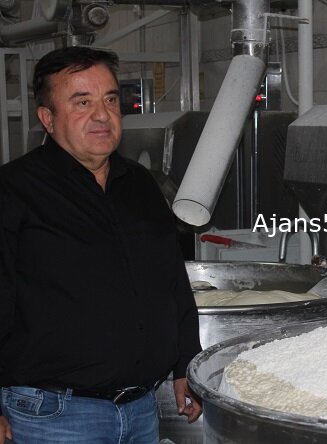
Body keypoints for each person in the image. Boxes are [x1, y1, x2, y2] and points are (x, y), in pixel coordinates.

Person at [0, 46, 202, 443]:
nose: (102, 115)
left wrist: (185, 363)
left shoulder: (140, 184)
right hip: (54, 417)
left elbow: (172, 281)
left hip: (142, 411)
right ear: (47, 118)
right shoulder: (14, 190)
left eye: (110, 100)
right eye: (82, 102)